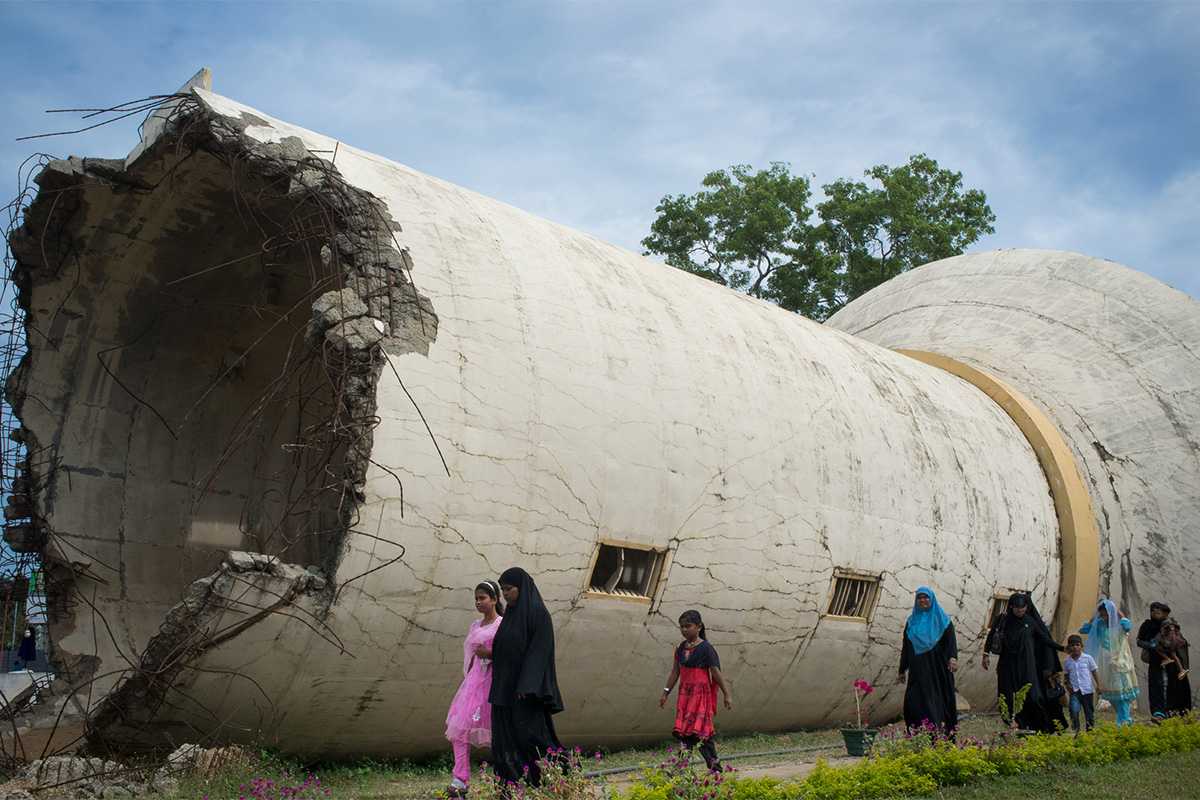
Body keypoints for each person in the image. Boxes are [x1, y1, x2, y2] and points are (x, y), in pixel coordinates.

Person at [488, 568, 564, 787]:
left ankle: (557, 779)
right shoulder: (509, 616)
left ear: (522, 588)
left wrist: (527, 686)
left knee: (533, 738)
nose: (505, 595)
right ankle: (511, 786)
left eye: (509, 589)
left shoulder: (538, 614)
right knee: (504, 741)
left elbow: (540, 653)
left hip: (526, 694)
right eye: (502, 590)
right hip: (504, 692)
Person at [444, 581, 504, 797]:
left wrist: (490, 655)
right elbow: (470, 656)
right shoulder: (475, 625)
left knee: (501, 734)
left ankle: (507, 777)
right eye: (476, 599)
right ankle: (460, 779)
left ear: (495, 600)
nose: (479, 602)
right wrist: (468, 680)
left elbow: (511, 654)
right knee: (458, 730)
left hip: (494, 684)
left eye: (483, 598)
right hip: (474, 683)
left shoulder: (502, 625)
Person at [659, 610, 732, 771]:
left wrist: (726, 695)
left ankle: (687, 770)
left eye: (688, 626)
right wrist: (665, 692)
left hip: (700, 698)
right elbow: (675, 673)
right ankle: (709, 770)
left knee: (697, 733)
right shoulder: (680, 649)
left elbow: (716, 673)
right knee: (691, 734)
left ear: (698, 627)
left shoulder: (706, 649)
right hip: (685, 698)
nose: (684, 630)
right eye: (682, 626)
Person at [982, 593, 1067, 733]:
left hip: (1026, 666)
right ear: (1011, 607)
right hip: (1007, 665)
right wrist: (986, 654)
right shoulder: (1004, 620)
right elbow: (992, 636)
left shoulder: (1030, 622)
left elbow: (1043, 638)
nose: (1020, 610)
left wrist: (1061, 648)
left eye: (1022, 607)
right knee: (1008, 697)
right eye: (1017, 607)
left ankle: (1042, 727)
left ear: (1026, 607)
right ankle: (1014, 727)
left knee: (1034, 696)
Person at [897, 587, 958, 737]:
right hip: (918, 671)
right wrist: (902, 669)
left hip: (938, 671)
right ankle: (918, 736)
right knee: (912, 703)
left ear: (932, 599)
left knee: (936, 702)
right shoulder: (911, 622)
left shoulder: (943, 620)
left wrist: (953, 658)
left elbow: (951, 642)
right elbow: (906, 647)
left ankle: (939, 735)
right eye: (919, 598)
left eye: (926, 597)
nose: (922, 600)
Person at [1079, 600, 1139, 726]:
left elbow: (1128, 627)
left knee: (1122, 691)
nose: (1105, 618)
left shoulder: (1119, 624)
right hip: (1105, 662)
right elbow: (1083, 630)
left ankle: (1123, 721)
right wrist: (1094, 617)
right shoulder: (1099, 624)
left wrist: (1120, 614)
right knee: (1112, 693)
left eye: (1107, 615)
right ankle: (1125, 718)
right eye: (1102, 615)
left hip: (1120, 660)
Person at [1062, 634, 1099, 733]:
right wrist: (1067, 683)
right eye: (1072, 645)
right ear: (1069, 647)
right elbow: (1066, 675)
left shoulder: (1088, 658)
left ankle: (1090, 731)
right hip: (1075, 690)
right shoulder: (1067, 661)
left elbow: (1094, 672)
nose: (1075, 647)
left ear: (1081, 646)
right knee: (1073, 710)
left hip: (1087, 690)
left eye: (1077, 645)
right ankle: (1077, 730)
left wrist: (1099, 685)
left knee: (1089, 713)